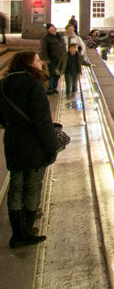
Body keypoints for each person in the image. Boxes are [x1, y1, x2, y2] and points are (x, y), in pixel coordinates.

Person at [0, 52, 60, 248]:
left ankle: (18, 232)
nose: (40, 62)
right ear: (28, 65)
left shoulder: (3, 85)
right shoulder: (34, 85)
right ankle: (27, 229)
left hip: (13, 141)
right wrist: (52, 147)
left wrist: (12, 124)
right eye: (36, 60)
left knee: (16, 185)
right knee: (32, 186)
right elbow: (42, 122)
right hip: (34, 144)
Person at [38, 23, 66, 95]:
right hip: (51, 59)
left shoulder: (59, 36)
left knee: (58, 74)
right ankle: (50, 88)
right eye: (51, 28)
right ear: (48, 30)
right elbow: (43, 49)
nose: (53, 29)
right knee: (52, 74)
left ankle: (54, 87)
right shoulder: (46, 39)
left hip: (60, 59)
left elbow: (63, 47)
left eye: (53, 28)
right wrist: (44, 59)